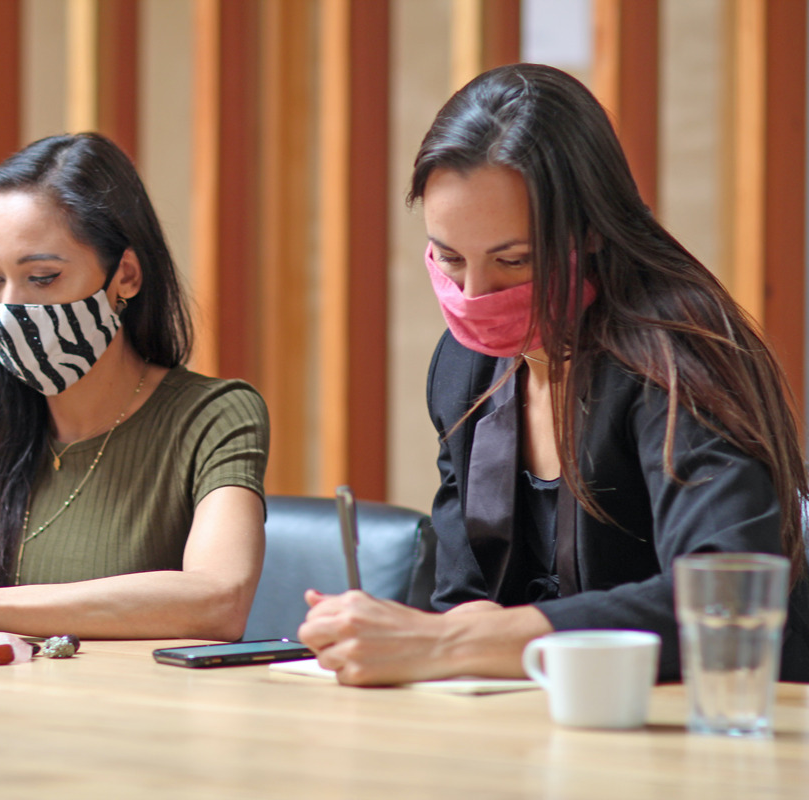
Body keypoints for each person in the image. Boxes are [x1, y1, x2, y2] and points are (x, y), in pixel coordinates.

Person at [298, 63, 809, 685]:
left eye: (513, 261)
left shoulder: (679, 357)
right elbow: (460, 598)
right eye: (450, 259)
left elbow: (725, 597)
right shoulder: (464, 366)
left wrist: (452, 640)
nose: (475, 295)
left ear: (591, 230)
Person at [0, 133, 269, 643]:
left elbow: (219, 599)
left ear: (124, 276)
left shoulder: (213, 416)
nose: (11, 307)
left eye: (41, 278)